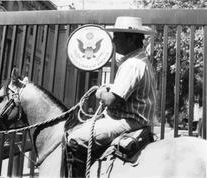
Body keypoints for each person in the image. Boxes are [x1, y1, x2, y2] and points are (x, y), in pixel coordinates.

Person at [66, 16, 157, 176]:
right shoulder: (141, 61)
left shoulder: (132, 65)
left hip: (129, 122)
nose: (114, 40)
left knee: (75, 139)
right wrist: (112, 87)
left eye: (117, 36)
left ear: (131, 39)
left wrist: (100, 92)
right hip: (137, 119)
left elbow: (111, 100)